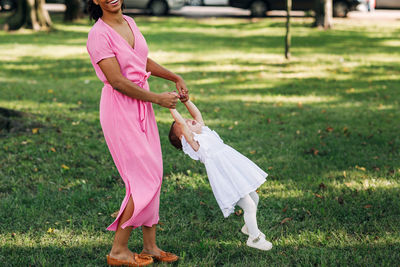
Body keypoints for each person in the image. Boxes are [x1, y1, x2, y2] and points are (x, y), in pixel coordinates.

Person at [86, 0, 189, 265]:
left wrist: (174, 76)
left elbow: (141, 60)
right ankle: (118, 250)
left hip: (142, 106)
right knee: (143, 178)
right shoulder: (98, 34)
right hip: (120, 110)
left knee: (154, 172)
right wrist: (156, 98)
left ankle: (150, 246)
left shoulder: (130, 22)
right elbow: (118, 81)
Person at [168, 99, 273, 251]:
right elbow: (183, 127)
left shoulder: (203, 131)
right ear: (184, 137)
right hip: (226, 179)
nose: (189, 120)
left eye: (187, 119)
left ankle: (248, 228)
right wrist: (171, 107)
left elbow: (197, 114)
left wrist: (186, 101)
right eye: (185, 123)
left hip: (236, 171)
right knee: (249, 206)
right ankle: (254, 238)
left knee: (255, 198)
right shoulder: (195, 144)